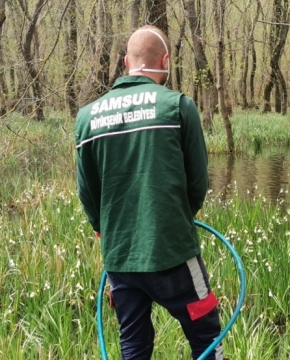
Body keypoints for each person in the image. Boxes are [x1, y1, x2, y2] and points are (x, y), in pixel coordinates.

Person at [75, 25, 224, 360]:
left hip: (120, 259)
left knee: (134, 344)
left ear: (127, 62)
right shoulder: (179, 107)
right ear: (165, 60)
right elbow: (198, 184)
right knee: (207, 333)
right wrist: (176, 219)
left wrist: (102, 228)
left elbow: (87, 192)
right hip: (174, 255)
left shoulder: (87, 118)